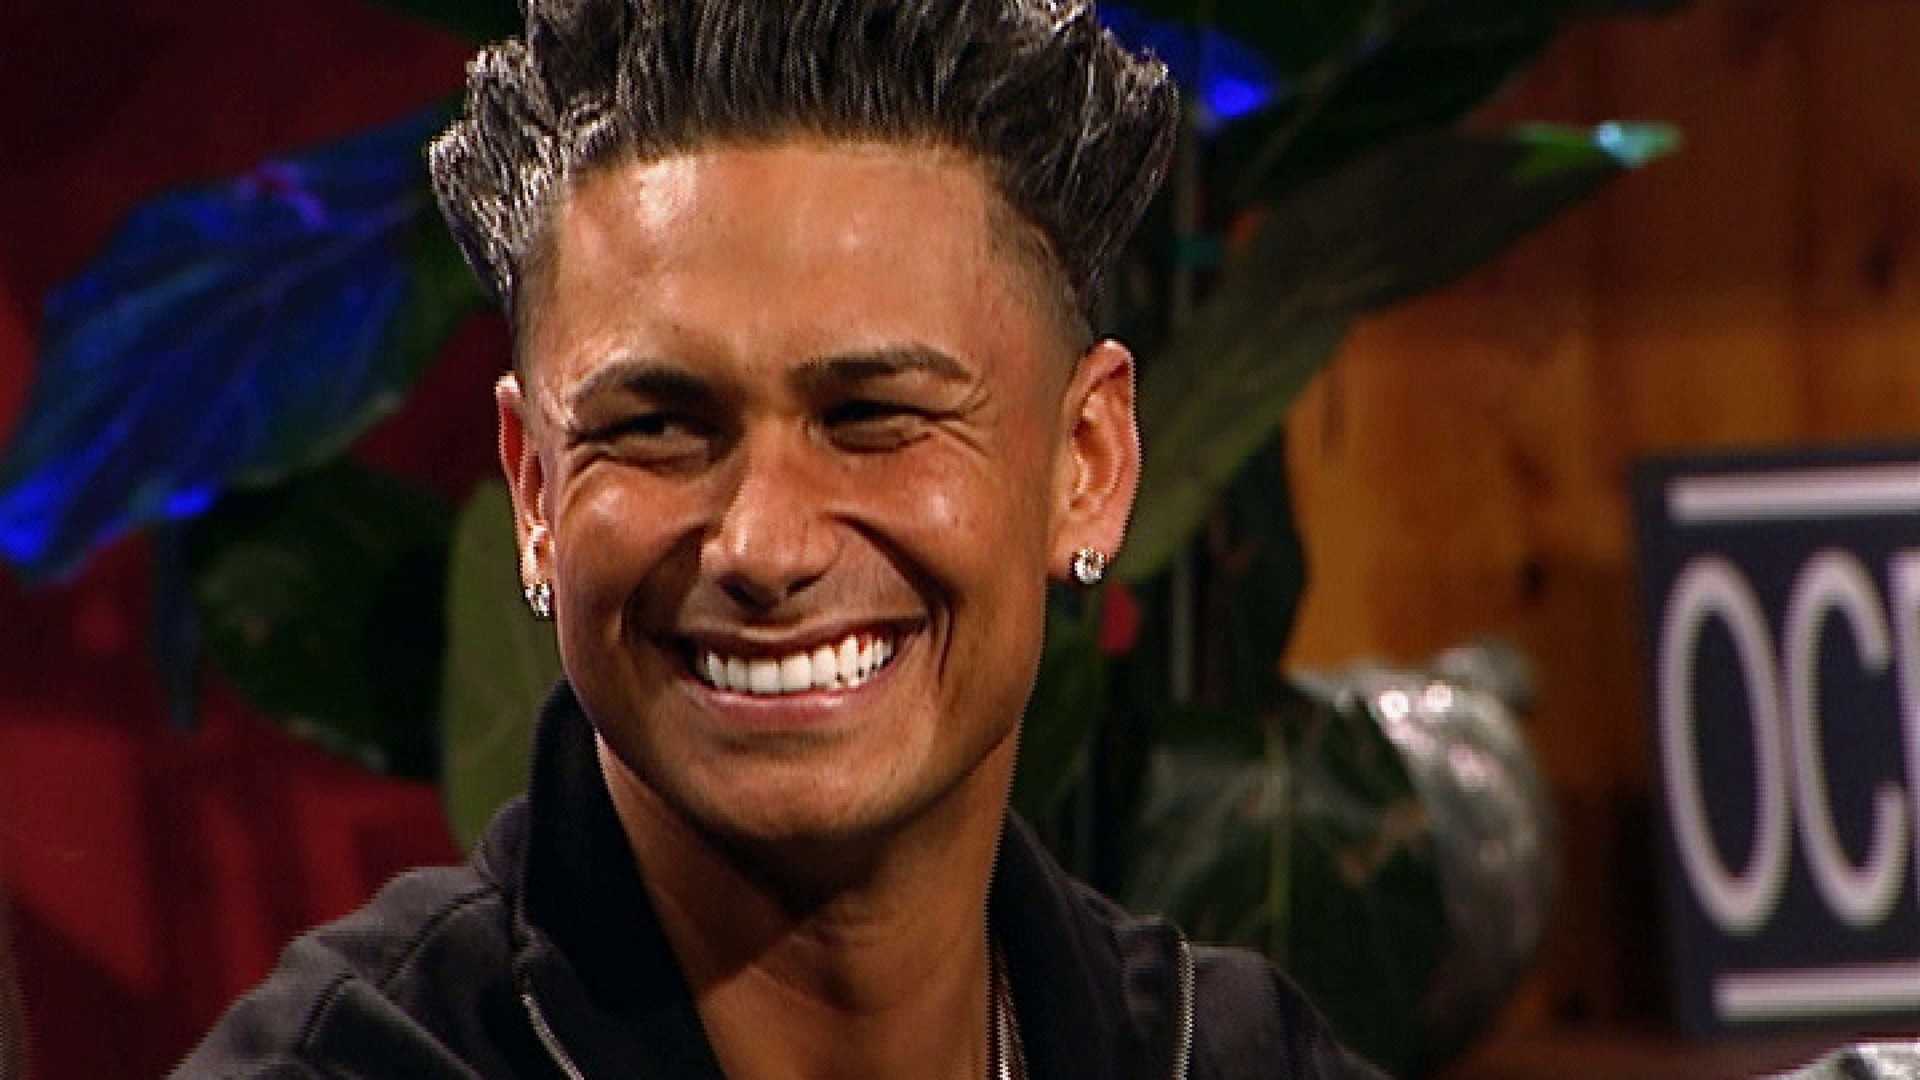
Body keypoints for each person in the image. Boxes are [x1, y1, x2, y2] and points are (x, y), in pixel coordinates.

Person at [175, 1, 1386, 1076]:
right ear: (535, 492)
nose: (761, 545)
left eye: (872, 416)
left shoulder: (1233, 1057)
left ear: (1087, 465)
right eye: (655, 427)